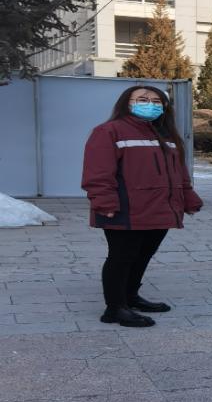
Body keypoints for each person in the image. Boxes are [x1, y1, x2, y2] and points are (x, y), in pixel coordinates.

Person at [81, 85, 203, 328]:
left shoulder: (166, 135)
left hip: (161, 208)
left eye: (157, 101)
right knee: (121, 257)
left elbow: (178, 172)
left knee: (143, 255)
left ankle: (130, 298)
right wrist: (104, 201)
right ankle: (115, 309)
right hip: (125, 208)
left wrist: (188, 197)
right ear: (127, 103)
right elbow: (98, 172)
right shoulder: (109, 131)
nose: (151, 104)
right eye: (143, 99)